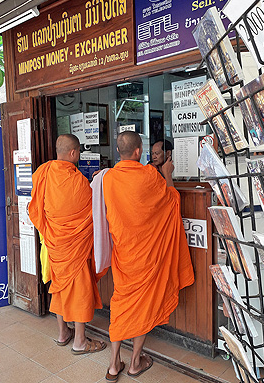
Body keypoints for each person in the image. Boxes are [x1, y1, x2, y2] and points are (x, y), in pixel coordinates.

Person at [102, 131, 194, 382]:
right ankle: (134, 363)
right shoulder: (149, 176)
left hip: (124, 252)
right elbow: (172, 200)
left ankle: (113, 365)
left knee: (121, 304)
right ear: (138, 151)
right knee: (142, 305)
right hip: (146, 255)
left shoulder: (108, 178)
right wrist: (168, 174)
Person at [28, 134, 106, 355]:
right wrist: (99, 184)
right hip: (75, 246)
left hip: (54, 243)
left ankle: (63, 333)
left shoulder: (43, 173)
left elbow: (35, 209)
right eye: (79, 152)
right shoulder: (78, 181)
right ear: (73, 153)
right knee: (80, 289)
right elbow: (94, 211)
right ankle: (80, 341)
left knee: (59, 287)